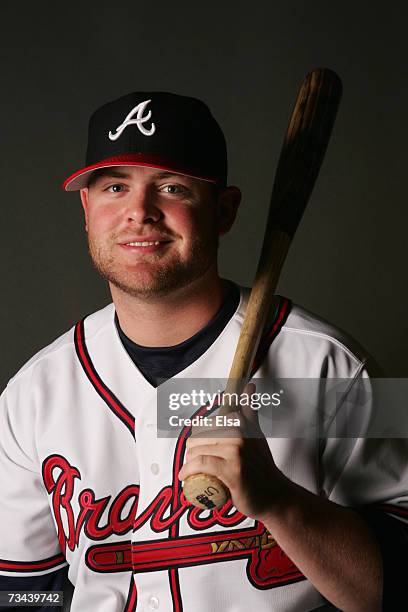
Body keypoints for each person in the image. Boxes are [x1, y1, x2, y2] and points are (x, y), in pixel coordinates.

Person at [0, 91, 407, 612]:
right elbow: (18, 589)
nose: (139, 212)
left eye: (172, 187)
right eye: (115, 187)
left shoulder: (336, 367)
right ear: (86, 209)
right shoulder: (32, 393)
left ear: (225, 210)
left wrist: (281, 503)